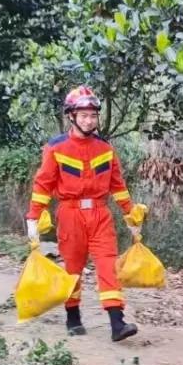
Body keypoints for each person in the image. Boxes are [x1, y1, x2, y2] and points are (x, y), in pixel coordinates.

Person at [25, 86, 145, 342]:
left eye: (93, 115)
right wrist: (33, 218)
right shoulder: (56, 148)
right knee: (73, 267)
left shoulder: (105, 148)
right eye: (83, 115)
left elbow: (118, 186)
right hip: (70, 214)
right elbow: (43, 185)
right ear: (72, 116)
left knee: (108, 264)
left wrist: (130, 215)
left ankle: (117, 323)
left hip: (100, 214)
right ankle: (73, 316)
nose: (89, 120)